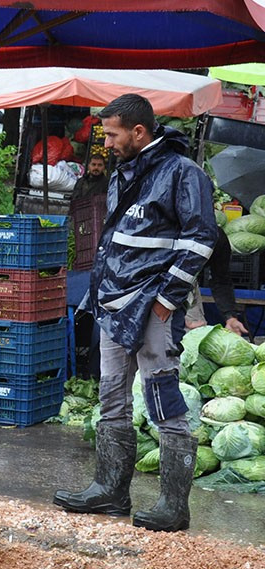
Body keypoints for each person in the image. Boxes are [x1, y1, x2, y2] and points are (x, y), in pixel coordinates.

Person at [54, 94, 217, 533]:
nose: (105, 142)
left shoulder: (183, 172)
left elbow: (202, 238)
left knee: (163, 399)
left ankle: (173, 505)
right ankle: (109, 490)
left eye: (111, 133)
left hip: (152, 308)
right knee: (110, 397)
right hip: (112, 304)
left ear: (138, 132)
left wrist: (167, 299)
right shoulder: (123, 172)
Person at [185, 227, 250, 337]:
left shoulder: (217, 236)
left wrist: (230, 317)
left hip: (189, 283)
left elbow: (221, 279)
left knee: (195, 336)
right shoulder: (171, 229)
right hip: (153, 281)